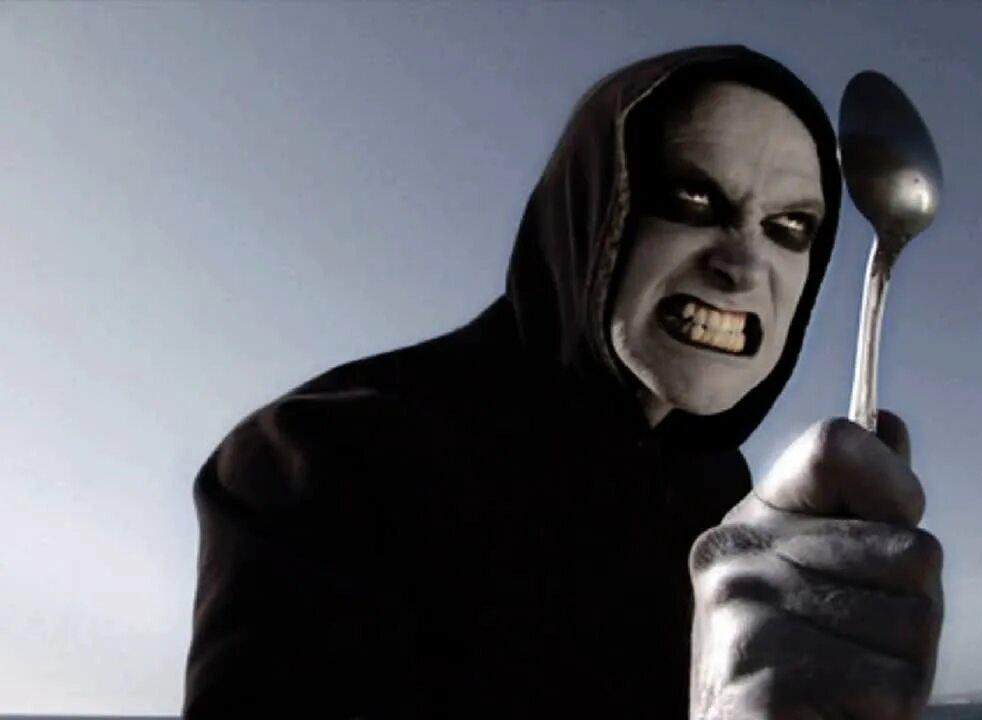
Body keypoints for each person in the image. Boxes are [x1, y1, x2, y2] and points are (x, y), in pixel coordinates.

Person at [183, 45, 942, 719]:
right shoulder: (321, 456)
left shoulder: (717, 491)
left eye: (790, 228)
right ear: (591, 210)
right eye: (692, 198)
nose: (742, 266)